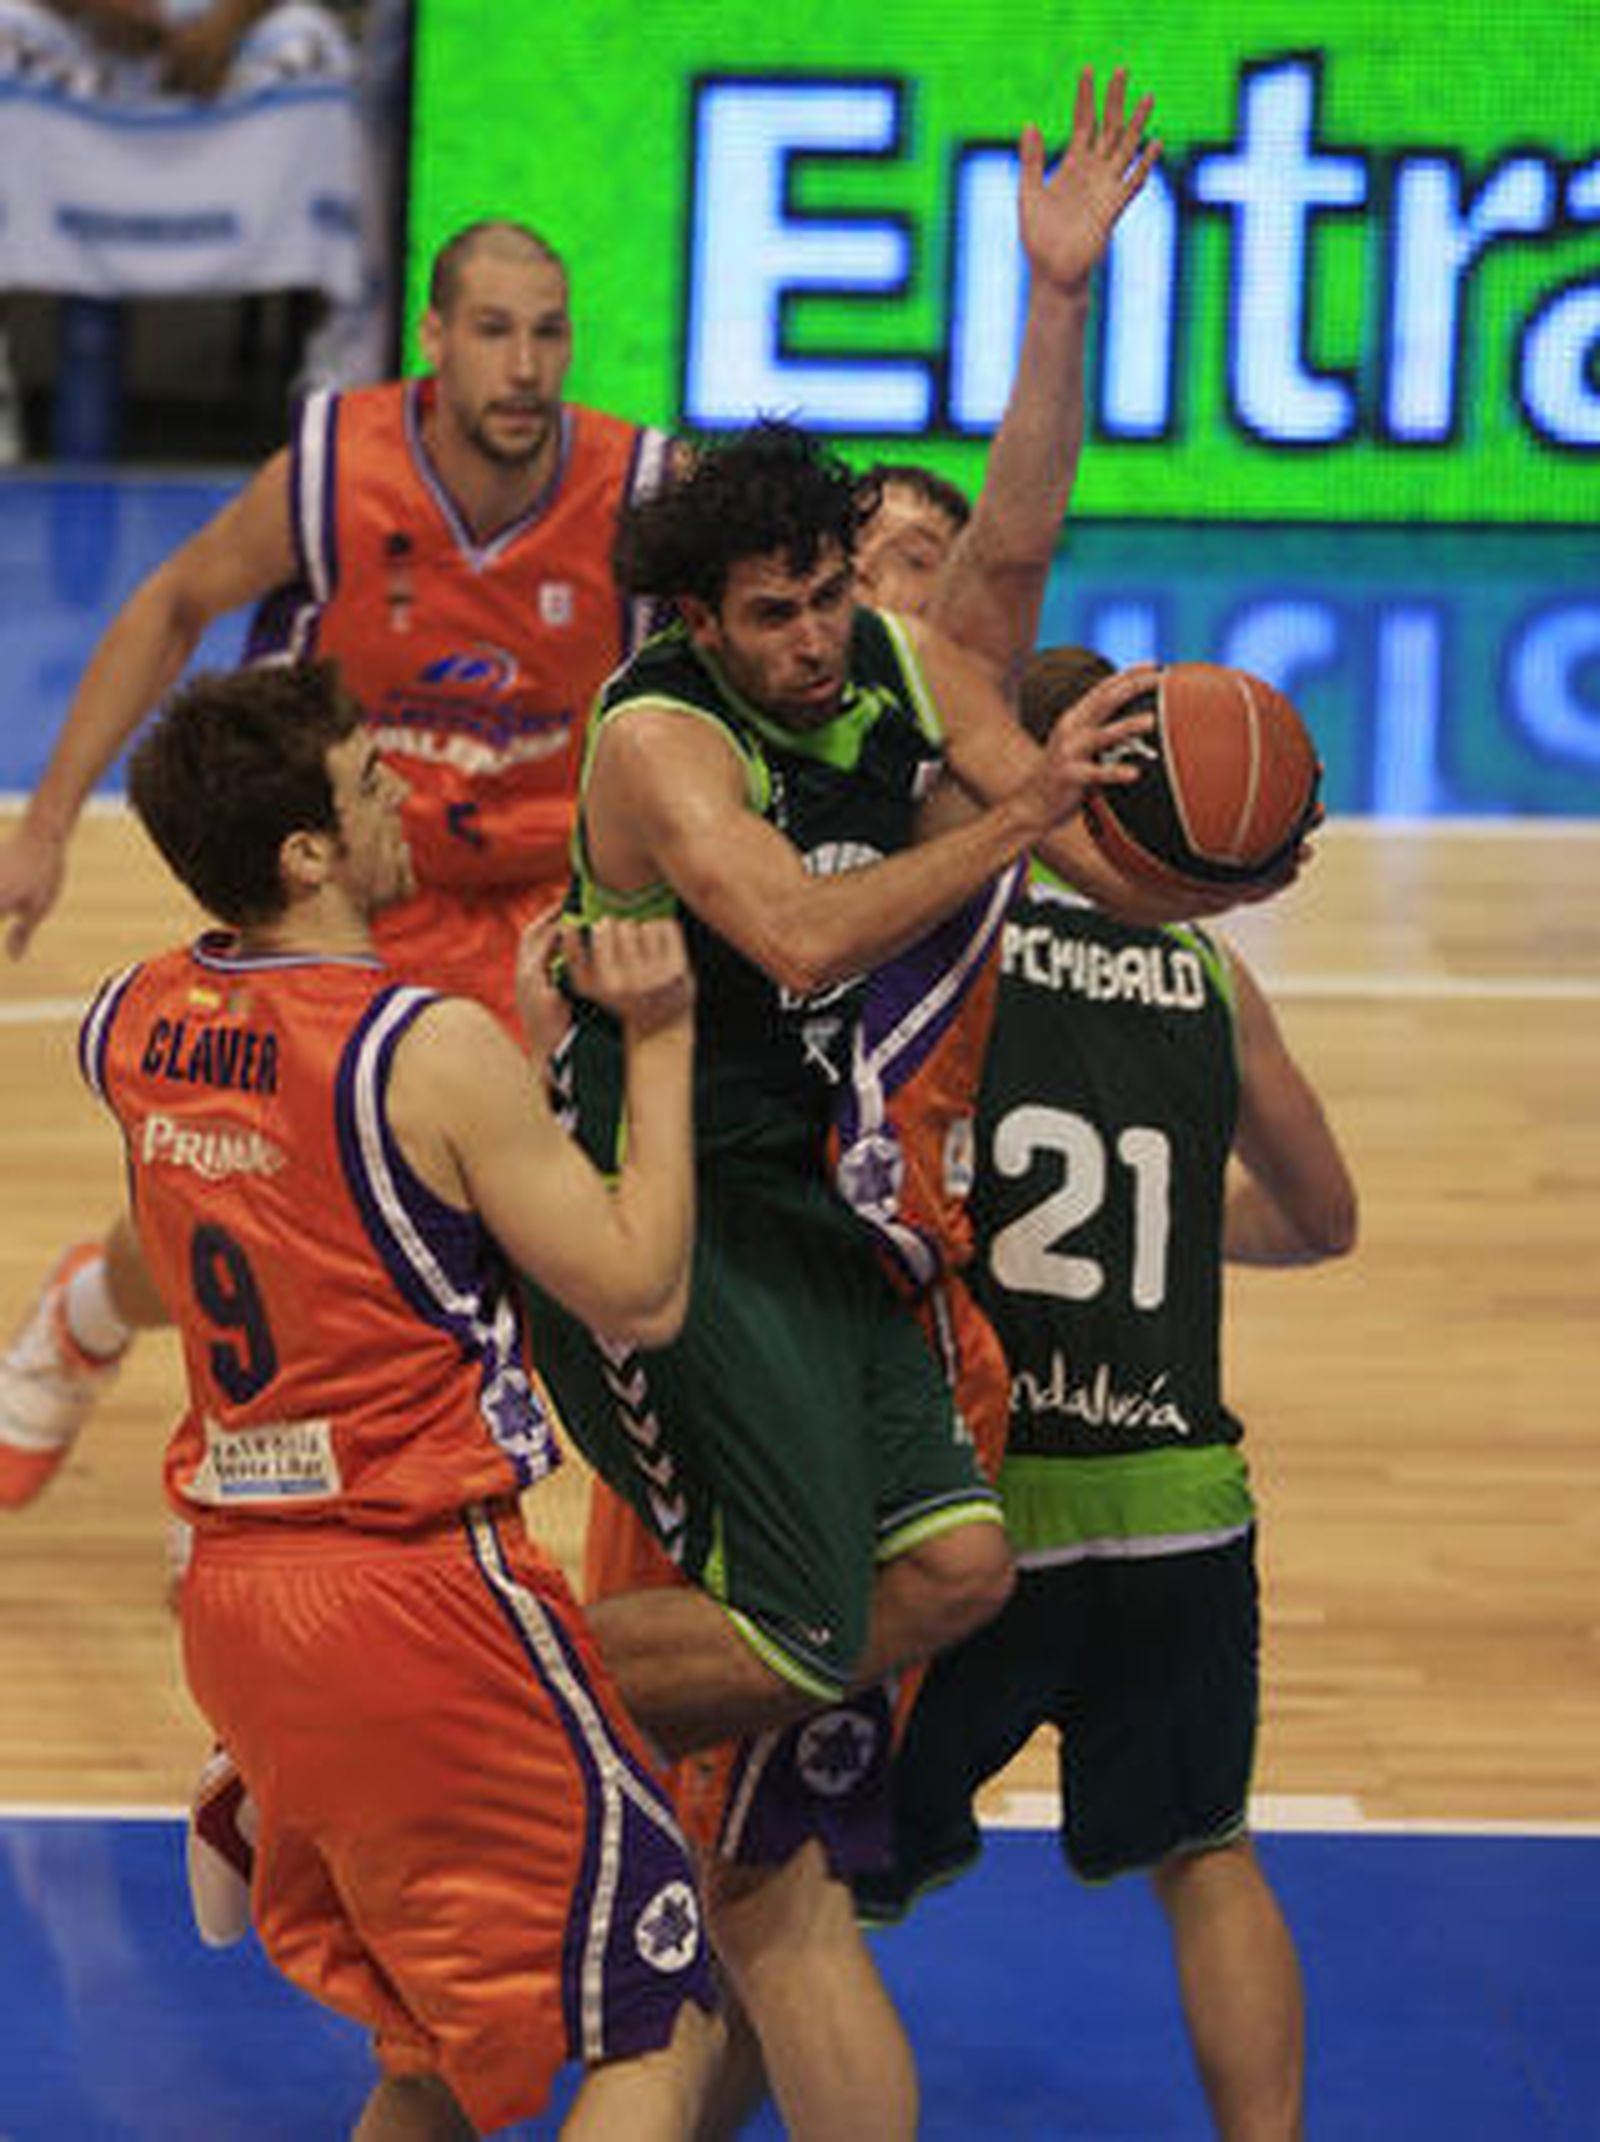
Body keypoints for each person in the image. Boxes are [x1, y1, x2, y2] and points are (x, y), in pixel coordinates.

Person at [83, 655, 715, 2139]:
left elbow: (295, 1206)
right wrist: (665, 1040)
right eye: (370, 782)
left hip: (241, 1590)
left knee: (425, 2041)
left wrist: (526, 1065)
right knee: (658, 2000)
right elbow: (640, 1287)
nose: (404, 798)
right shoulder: (425, 1049)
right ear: (305, 852)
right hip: (417, 1590)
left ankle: (261, 1769)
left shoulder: (126, 1021)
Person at [0, 214, 675, 1506]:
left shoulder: (638, 489)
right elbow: (175, 605)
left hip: (544, 903)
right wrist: (43, 826)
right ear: (432, 339)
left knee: (508, 1233)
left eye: (549, 331)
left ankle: (367, 1489)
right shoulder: (330, 467)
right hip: (343, 890)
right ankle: (95, 1311)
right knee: (242, 1197)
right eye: (493, 330)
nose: (525, 364)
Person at [855, 646, 1357, 2142]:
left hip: (979, 1507)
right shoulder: (1211, 970)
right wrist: (1182, 1240)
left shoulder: (947, 925)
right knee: (1207, 1854)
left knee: (802, 1895)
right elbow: (1324, 1216)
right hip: (1179, 1504)